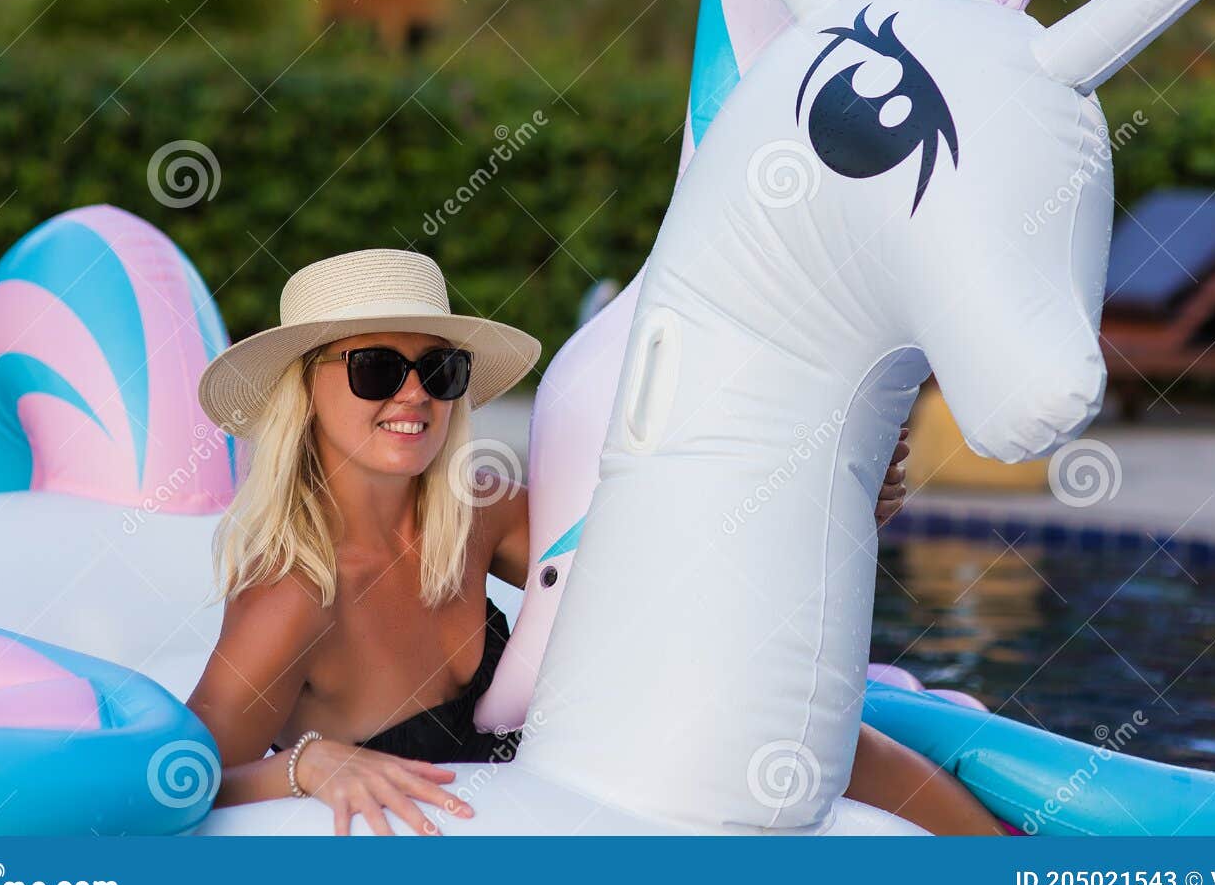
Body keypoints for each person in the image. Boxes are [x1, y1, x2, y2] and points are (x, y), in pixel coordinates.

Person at [189, 249, 1002, 836]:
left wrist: (854, 493)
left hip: (591, 797)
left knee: (808, 733)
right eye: (374, 367)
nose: (412, 394)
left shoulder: (477, 519)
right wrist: (311, 765)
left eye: (439, 371)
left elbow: (671, 554)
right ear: (307, 387)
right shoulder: (295, 591)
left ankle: (1031, 876)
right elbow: (176, 784)